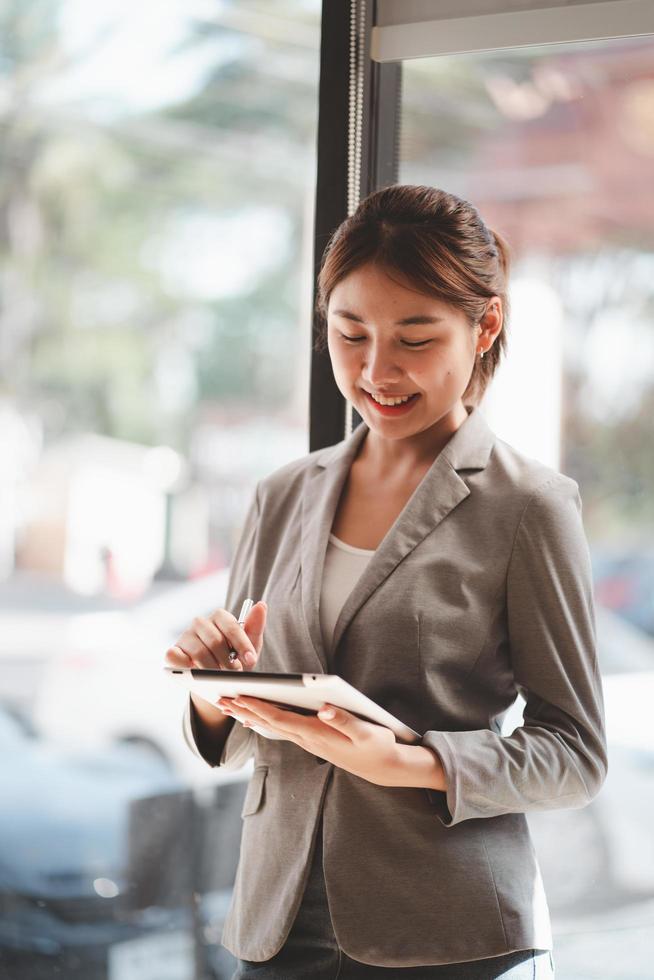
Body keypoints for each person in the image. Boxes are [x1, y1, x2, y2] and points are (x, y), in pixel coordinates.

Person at [165, 184, 607, 978]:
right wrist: (210, 687)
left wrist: (408, 763)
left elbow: (575, 755)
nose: (377, 370)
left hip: (447, 930)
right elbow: (241, 729)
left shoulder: (528, 507)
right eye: (350, 333)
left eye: (414, 337)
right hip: (277, 916)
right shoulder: (283, 494)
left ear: (485, 327)